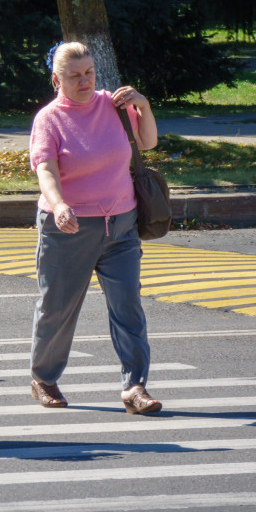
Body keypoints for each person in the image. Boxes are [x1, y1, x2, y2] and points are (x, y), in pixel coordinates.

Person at [28, 41, 162, 414]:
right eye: (74, 76)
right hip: (68, 227)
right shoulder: (49, 119)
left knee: (128, 307)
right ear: (56, 79)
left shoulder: (116, 107)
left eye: (89, 72)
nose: (84, 81)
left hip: (121, 224)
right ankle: (44, 377)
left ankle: (134, 387)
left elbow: (147, 142)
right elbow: (46, 170)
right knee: (58, 307)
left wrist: (143, 105)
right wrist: (58, 206)